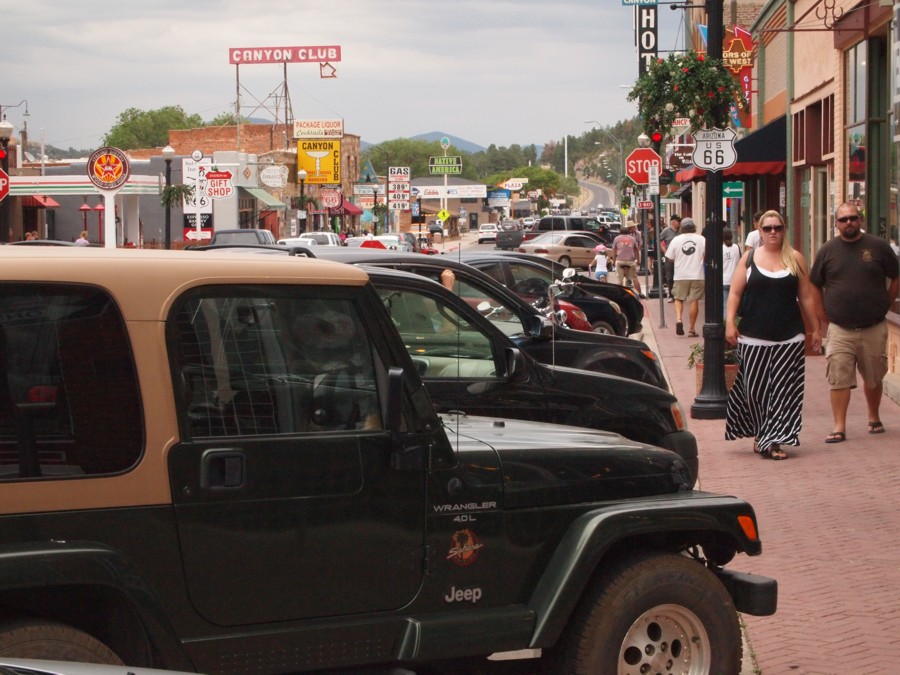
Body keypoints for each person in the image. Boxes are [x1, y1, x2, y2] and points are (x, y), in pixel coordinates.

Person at [724, 210, 821, 460]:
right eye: (767, 228)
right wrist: (730, 323)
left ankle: (774, 440)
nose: (773, 232)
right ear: (759, 231)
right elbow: (735, 293)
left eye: (777, 227)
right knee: (755, 390)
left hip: (790, 336)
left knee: (784, 390)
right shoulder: (749, 259)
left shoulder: (795, 258)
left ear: (784, 229)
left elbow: (806, 296)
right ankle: (761, 433)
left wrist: (816, 329)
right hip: (754, 335)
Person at [809, 203, 900, 443]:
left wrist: (887, 302)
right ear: (836, 224)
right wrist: (822, 314)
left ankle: (874, 416)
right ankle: (839, 426)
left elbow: (896, 275)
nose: (848, 222)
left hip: (874, 325)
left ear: (860, 220)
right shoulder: (827, 251)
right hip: (840, 328)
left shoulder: (878, 247)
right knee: (838, 377)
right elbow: (814, 284)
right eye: (843, 219)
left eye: (852, 218)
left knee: (874, 376)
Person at [664, 218, 705, 337]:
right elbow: (707, 255)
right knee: (694, 300)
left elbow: (670, 258)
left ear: (682, 228)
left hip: (680, 275)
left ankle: (678, 319)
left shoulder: (676, 240)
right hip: (697, 274)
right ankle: (691, 329)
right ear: (694, 227)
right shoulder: (701, 239)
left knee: (678, 298)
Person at [610, 223, 645, 297]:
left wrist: (613, 261)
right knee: (635, 278)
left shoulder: (616, 238)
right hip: (630, 261)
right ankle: (640, 293)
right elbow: (636, 250)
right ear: (628, 232)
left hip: (620, 260)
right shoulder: (632, 239)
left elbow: (614, 250)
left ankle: (619, 294)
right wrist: (638, 260)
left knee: (620, 279)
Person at [658, 214, 682, 301]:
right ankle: (671, 295)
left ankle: (679, 294)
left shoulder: (681, 231)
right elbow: (659, 241)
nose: (680, 223)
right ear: (673, 222)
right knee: (670, 276)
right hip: (669, 257)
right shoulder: (666, 231)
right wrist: (665, 251)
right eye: (678, 221)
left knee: (679, 276)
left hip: (680, 257)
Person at [721, 228, 741, 315]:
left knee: (725, 302)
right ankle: (735, 316)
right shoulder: (737, 247)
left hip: (724, 279)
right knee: (736, 301)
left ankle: (726, 319)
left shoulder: (721, 249)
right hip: (735, 279)